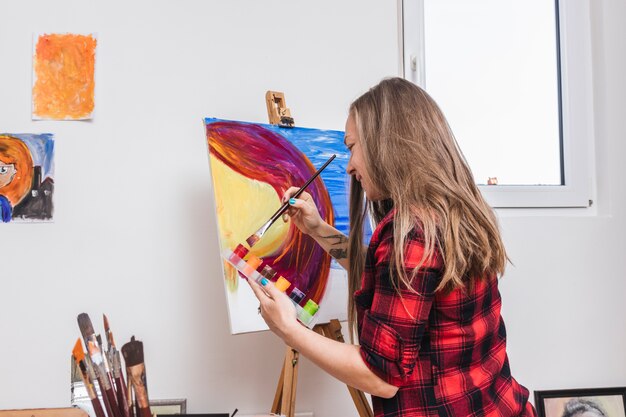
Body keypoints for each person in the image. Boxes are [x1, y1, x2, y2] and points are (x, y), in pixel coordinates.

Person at [247, 77, 535, 417]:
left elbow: (382, 376)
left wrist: (289, 330)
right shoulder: (452, 209)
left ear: (388, 143)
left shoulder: (413, 230)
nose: (350, 165)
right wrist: (315, 228)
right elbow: (390, 277)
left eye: (352, 147)